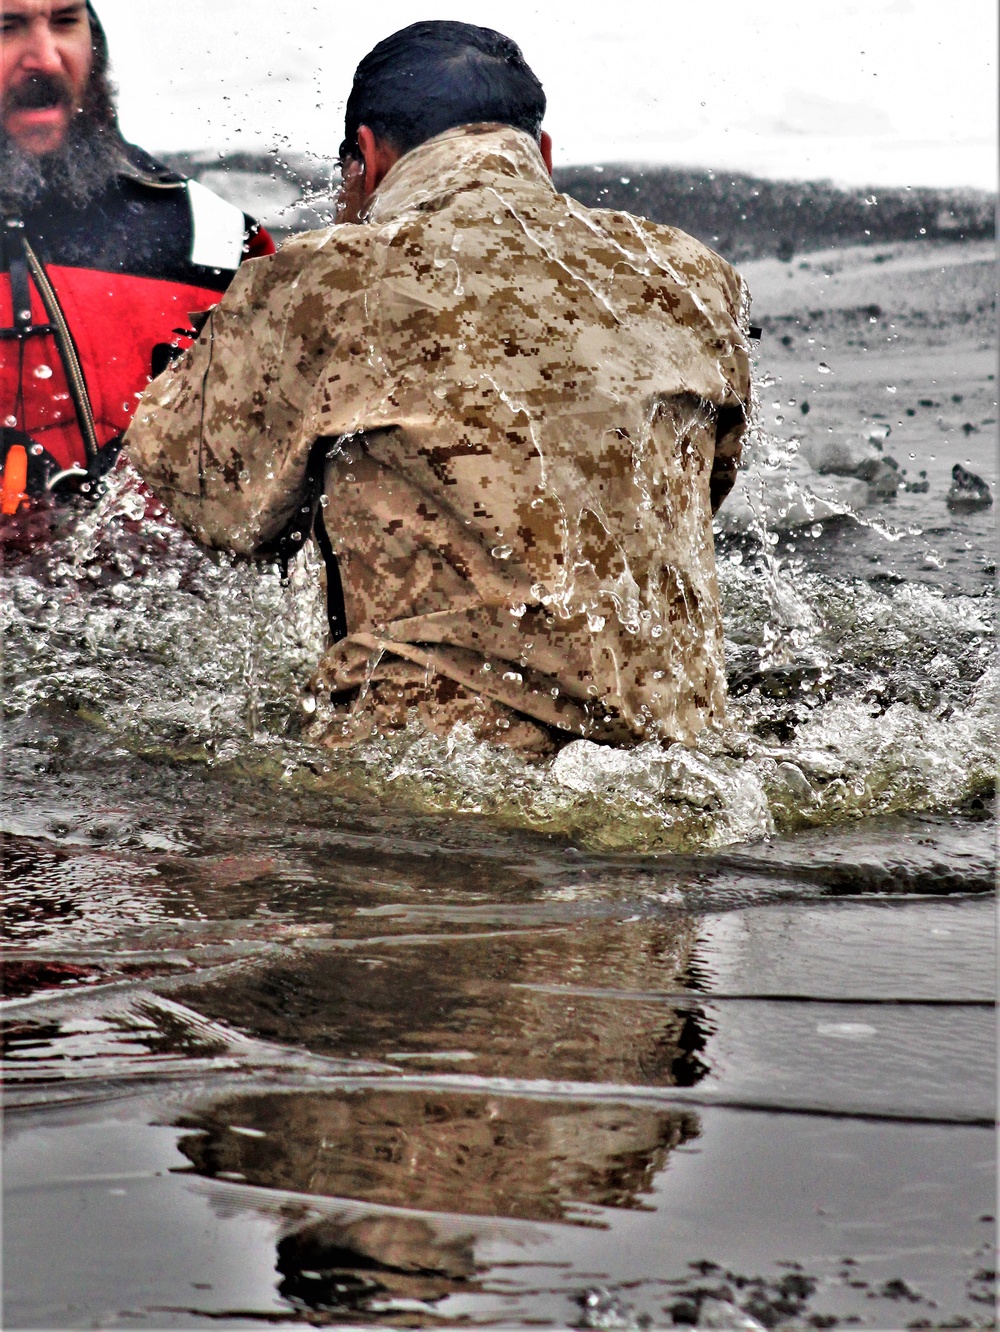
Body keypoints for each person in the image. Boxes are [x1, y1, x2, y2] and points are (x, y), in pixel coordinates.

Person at [125, 21, 752, 755]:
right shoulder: (691, 274)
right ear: (542, 156)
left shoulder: (328, 276)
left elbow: (217, 506)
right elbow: (704, 486)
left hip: (432, 775)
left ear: (364, 156)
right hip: (680, 763)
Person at [0, 0, 274, 514]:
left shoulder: (210, 238)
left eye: (64, 22)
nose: (47, 59)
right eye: (7, 28)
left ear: (95, 38)